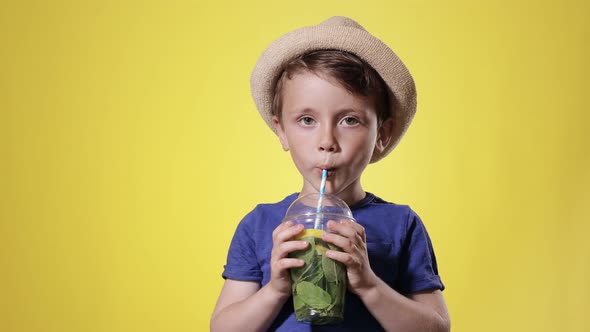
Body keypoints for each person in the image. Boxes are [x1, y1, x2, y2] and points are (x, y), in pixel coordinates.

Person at [210, 16, 450, 332]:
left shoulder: (402, 225)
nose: (327, 142)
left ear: (382, 134)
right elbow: (222, 328)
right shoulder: (259, 225)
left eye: (349, 120)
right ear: (280, 130)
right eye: (307, 120)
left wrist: (368, 284)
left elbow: (436, 328)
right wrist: (276, 290)